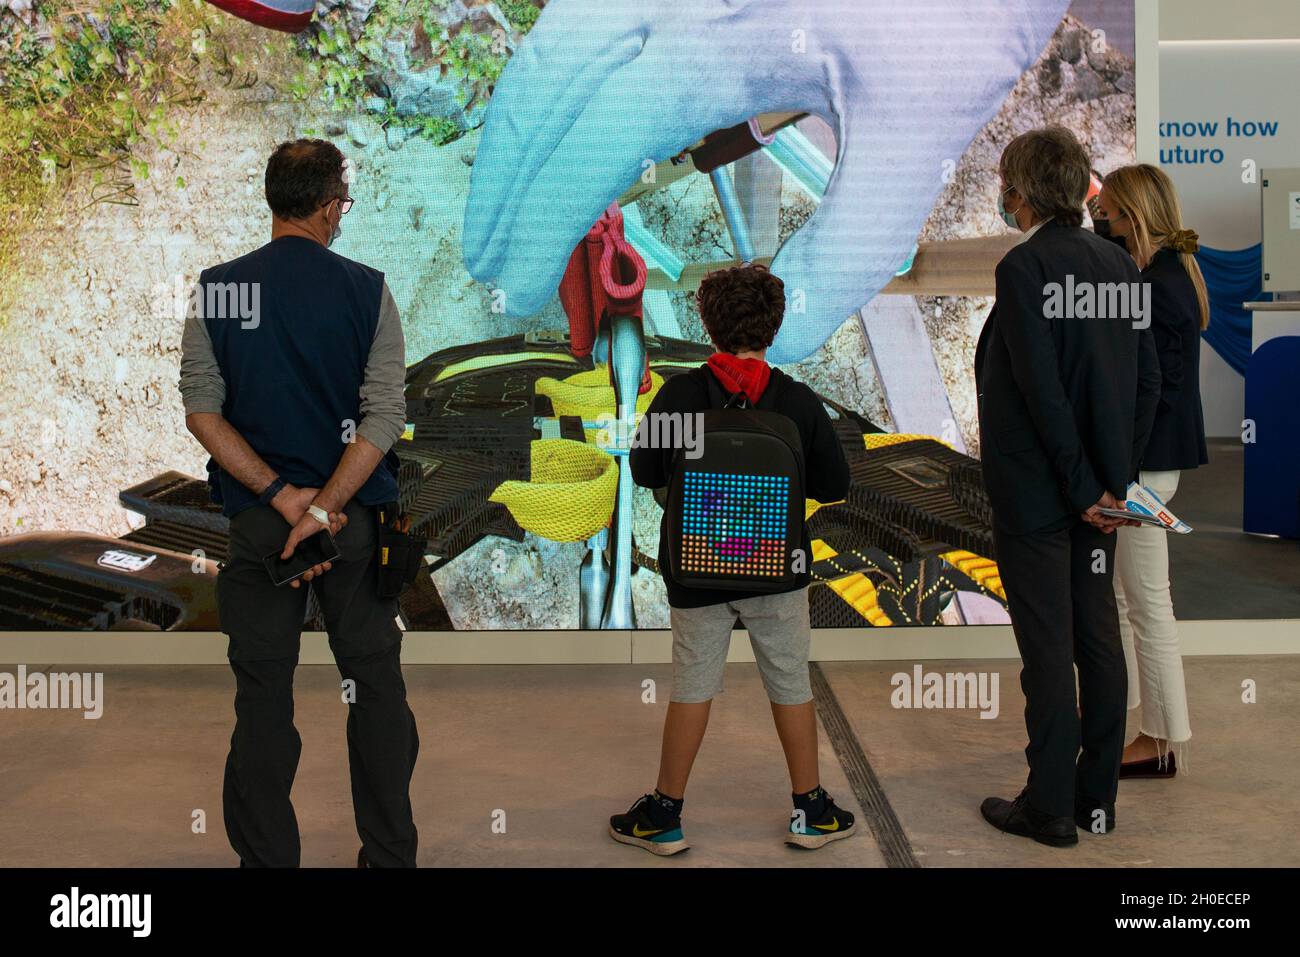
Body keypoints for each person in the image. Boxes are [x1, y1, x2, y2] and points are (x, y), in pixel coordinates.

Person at [179, 139, 418, 867]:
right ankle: (387, 857)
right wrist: (322, 509)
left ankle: (267, 862)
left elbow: (202, 412)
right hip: (352, 529)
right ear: (325, 206)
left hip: (259, 528)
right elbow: (382, 417)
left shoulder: (218, 288)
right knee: (374, 693)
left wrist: (283, 498)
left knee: (262, 701)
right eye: (341, 203)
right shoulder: (368, 289)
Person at [610, 263, 854, 855]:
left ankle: (665, 815)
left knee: (692, 687)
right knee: (791, 683)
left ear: (709, 323)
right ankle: (810, 811)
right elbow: (834, 484)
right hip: (777, 572)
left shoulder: (682, 395)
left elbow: (643, 471)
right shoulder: (797, 402)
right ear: (774, 326)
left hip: (696, 571)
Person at [975, 126, 1162, 846]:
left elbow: (1040, 389)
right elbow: (1149, 381)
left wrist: (1084, 485)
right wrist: (1116, 483)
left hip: (1038, 496)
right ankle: (1096, 800)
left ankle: (1048, 803)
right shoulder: (1119, 267)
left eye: (1008, 187)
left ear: (1023, 193)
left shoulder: (1026, 270)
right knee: (1098, 638)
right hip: (1099, 499)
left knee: (1049, 646)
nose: (1006, 199)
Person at [1096, 164, 1210, 778]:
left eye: (1108, 215)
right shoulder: (1168, 275)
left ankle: (1163, 742)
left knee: (1147, 605)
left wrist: (1121, 469)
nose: (1101, 224)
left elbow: (1153, 390)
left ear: (1134, 217)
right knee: (1129, 600)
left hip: (1149, 465)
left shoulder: (1159, 284)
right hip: (1152, 462)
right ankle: (1136, 721)